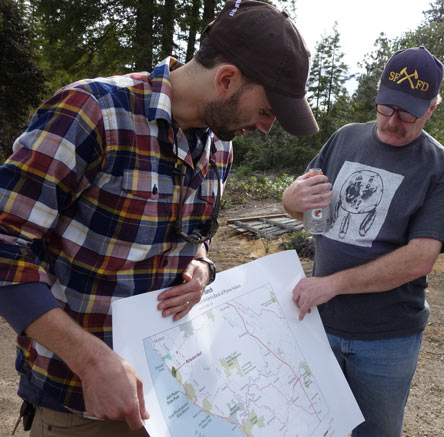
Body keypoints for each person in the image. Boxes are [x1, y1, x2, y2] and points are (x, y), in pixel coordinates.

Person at [0, 1, 317, 435]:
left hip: (173, 400)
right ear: (226, 80)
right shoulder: (92, 112)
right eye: (266, 111)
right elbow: (5, 243)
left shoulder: (219, 145)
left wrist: (202, 265)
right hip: (80, 405)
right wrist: (90, 359)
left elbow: (198, 235)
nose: (266, 127)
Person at [282, 46, 444, 436]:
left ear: (432, 108)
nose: (393, 122)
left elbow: (420, 258)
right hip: (320, 324)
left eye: (408, 114)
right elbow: (312, 212)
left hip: (387, 339)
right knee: (316, 426)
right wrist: (290, 201)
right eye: (386, 108)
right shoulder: (345, 139)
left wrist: (331, 285)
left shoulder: (440, 166)